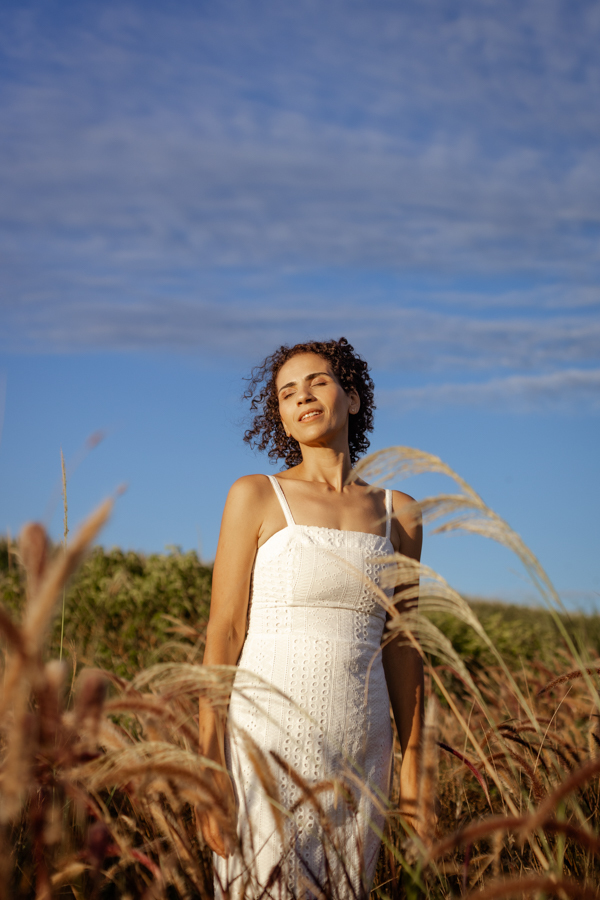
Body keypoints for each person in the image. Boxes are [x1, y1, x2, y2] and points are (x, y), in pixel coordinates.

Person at [198, 337, 423, 899]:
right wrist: (209, 765)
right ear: (280, 416)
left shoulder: (402, 513)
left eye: (317, 382)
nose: (302, 397)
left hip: (361, 744)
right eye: (286, 393)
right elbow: (224, 632)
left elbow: (403, 643)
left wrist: (415, 760)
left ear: (351, 397)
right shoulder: (256, 495)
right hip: (264, 739)